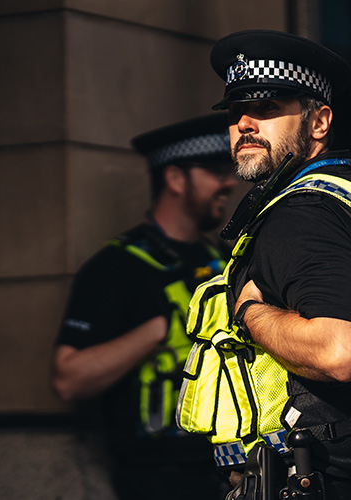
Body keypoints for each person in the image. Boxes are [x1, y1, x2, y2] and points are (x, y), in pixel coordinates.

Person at [175, 30, 351, 500]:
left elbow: (343, 354)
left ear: (319, 121)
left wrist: (251, 313)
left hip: (314, 480)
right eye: (236, 112)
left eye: (266, 109)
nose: (244, 124)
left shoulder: (301, 214)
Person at [51, 113, 237, 500]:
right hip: (156, 479)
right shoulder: (116, 267)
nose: (229, 182)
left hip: (231, 472)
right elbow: (69, 379)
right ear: (175, 178)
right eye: (216, 171)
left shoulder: (223, 259)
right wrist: (155, 332)